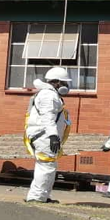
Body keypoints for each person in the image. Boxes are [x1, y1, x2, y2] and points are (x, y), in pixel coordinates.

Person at [24, 67, 72, 203]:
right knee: (46, 167)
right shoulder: (48, 95)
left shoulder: (49, 94)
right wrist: (53, 136)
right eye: (64, 83)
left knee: (47, 166)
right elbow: (47, 117)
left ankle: (42, 196)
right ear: (57, 82)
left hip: (44, 136)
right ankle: (36, 197)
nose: (67, 86)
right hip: (44, 137)